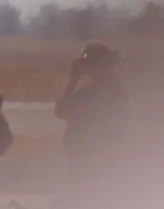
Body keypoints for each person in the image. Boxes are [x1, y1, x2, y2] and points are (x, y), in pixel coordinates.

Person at [53, 40, 127, 191]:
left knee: (85, 195)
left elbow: (61, 110)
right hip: (103, 156)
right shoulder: (116, 89)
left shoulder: (92, 92)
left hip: (87, 158)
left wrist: (73, 80)